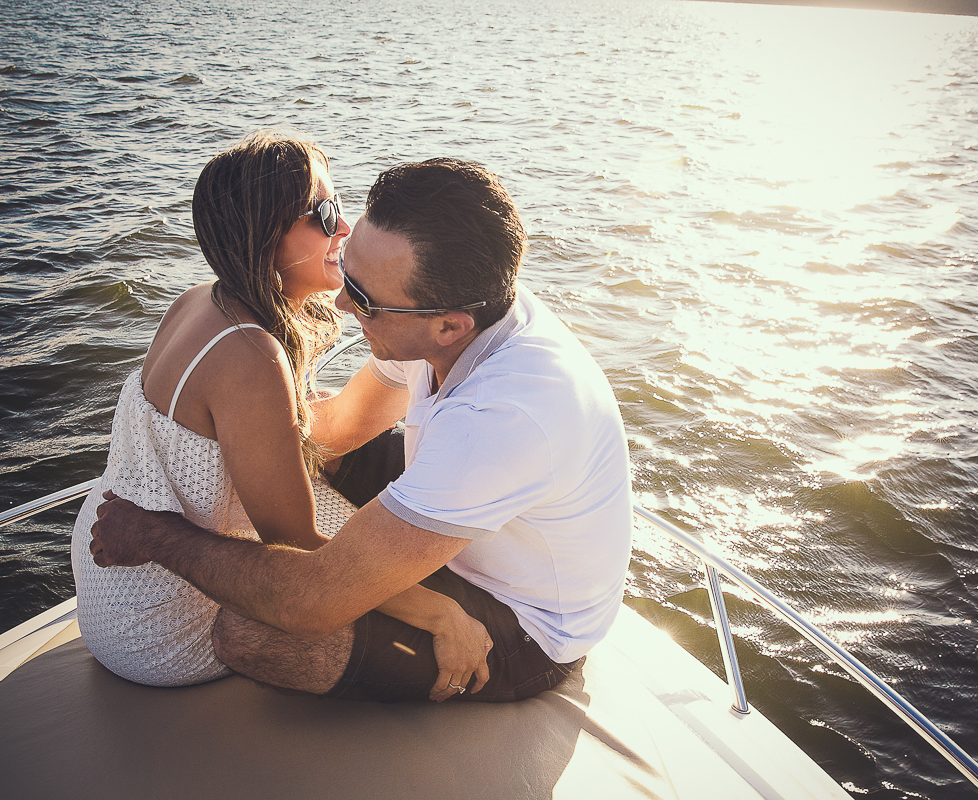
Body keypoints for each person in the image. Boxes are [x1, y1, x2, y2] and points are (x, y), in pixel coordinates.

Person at [89, 158, 633, 703]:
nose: (345, 304)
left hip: (524, 621)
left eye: (366, 301)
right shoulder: (458, 307)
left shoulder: (504, 417)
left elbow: (308, 602)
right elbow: (341, 427)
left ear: (449, 326)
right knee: (310, 456)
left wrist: (155, 534)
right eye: (349, 274)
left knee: (250, 632)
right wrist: (254, 420)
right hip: (474, 520)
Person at [71, 133, 490, 696]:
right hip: (164, 619)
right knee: (410, 563)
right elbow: (302, 555)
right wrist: (441, 615)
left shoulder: (199, 299)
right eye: (324, 214)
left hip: (107, 573)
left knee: (387, 534)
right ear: (266, 235)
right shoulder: (251, 355)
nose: (345, 229)